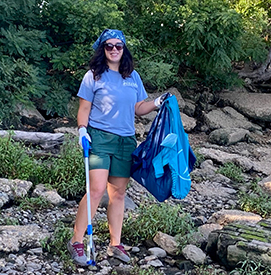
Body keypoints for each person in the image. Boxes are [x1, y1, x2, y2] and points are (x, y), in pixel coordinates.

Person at [67, 29, 166, 266]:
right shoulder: (93, 76)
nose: (114, 50)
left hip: (125, 140)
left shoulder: (132, 77)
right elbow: (84, 108)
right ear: (102, 49)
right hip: (99, 138)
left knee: (118, 193)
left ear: (124, 49)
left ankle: (115, 244)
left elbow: (138, 107)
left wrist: (157, 103)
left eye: (118, 46)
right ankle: (77, 241)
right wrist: (82, 129)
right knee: (97, 189)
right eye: (109, 46)